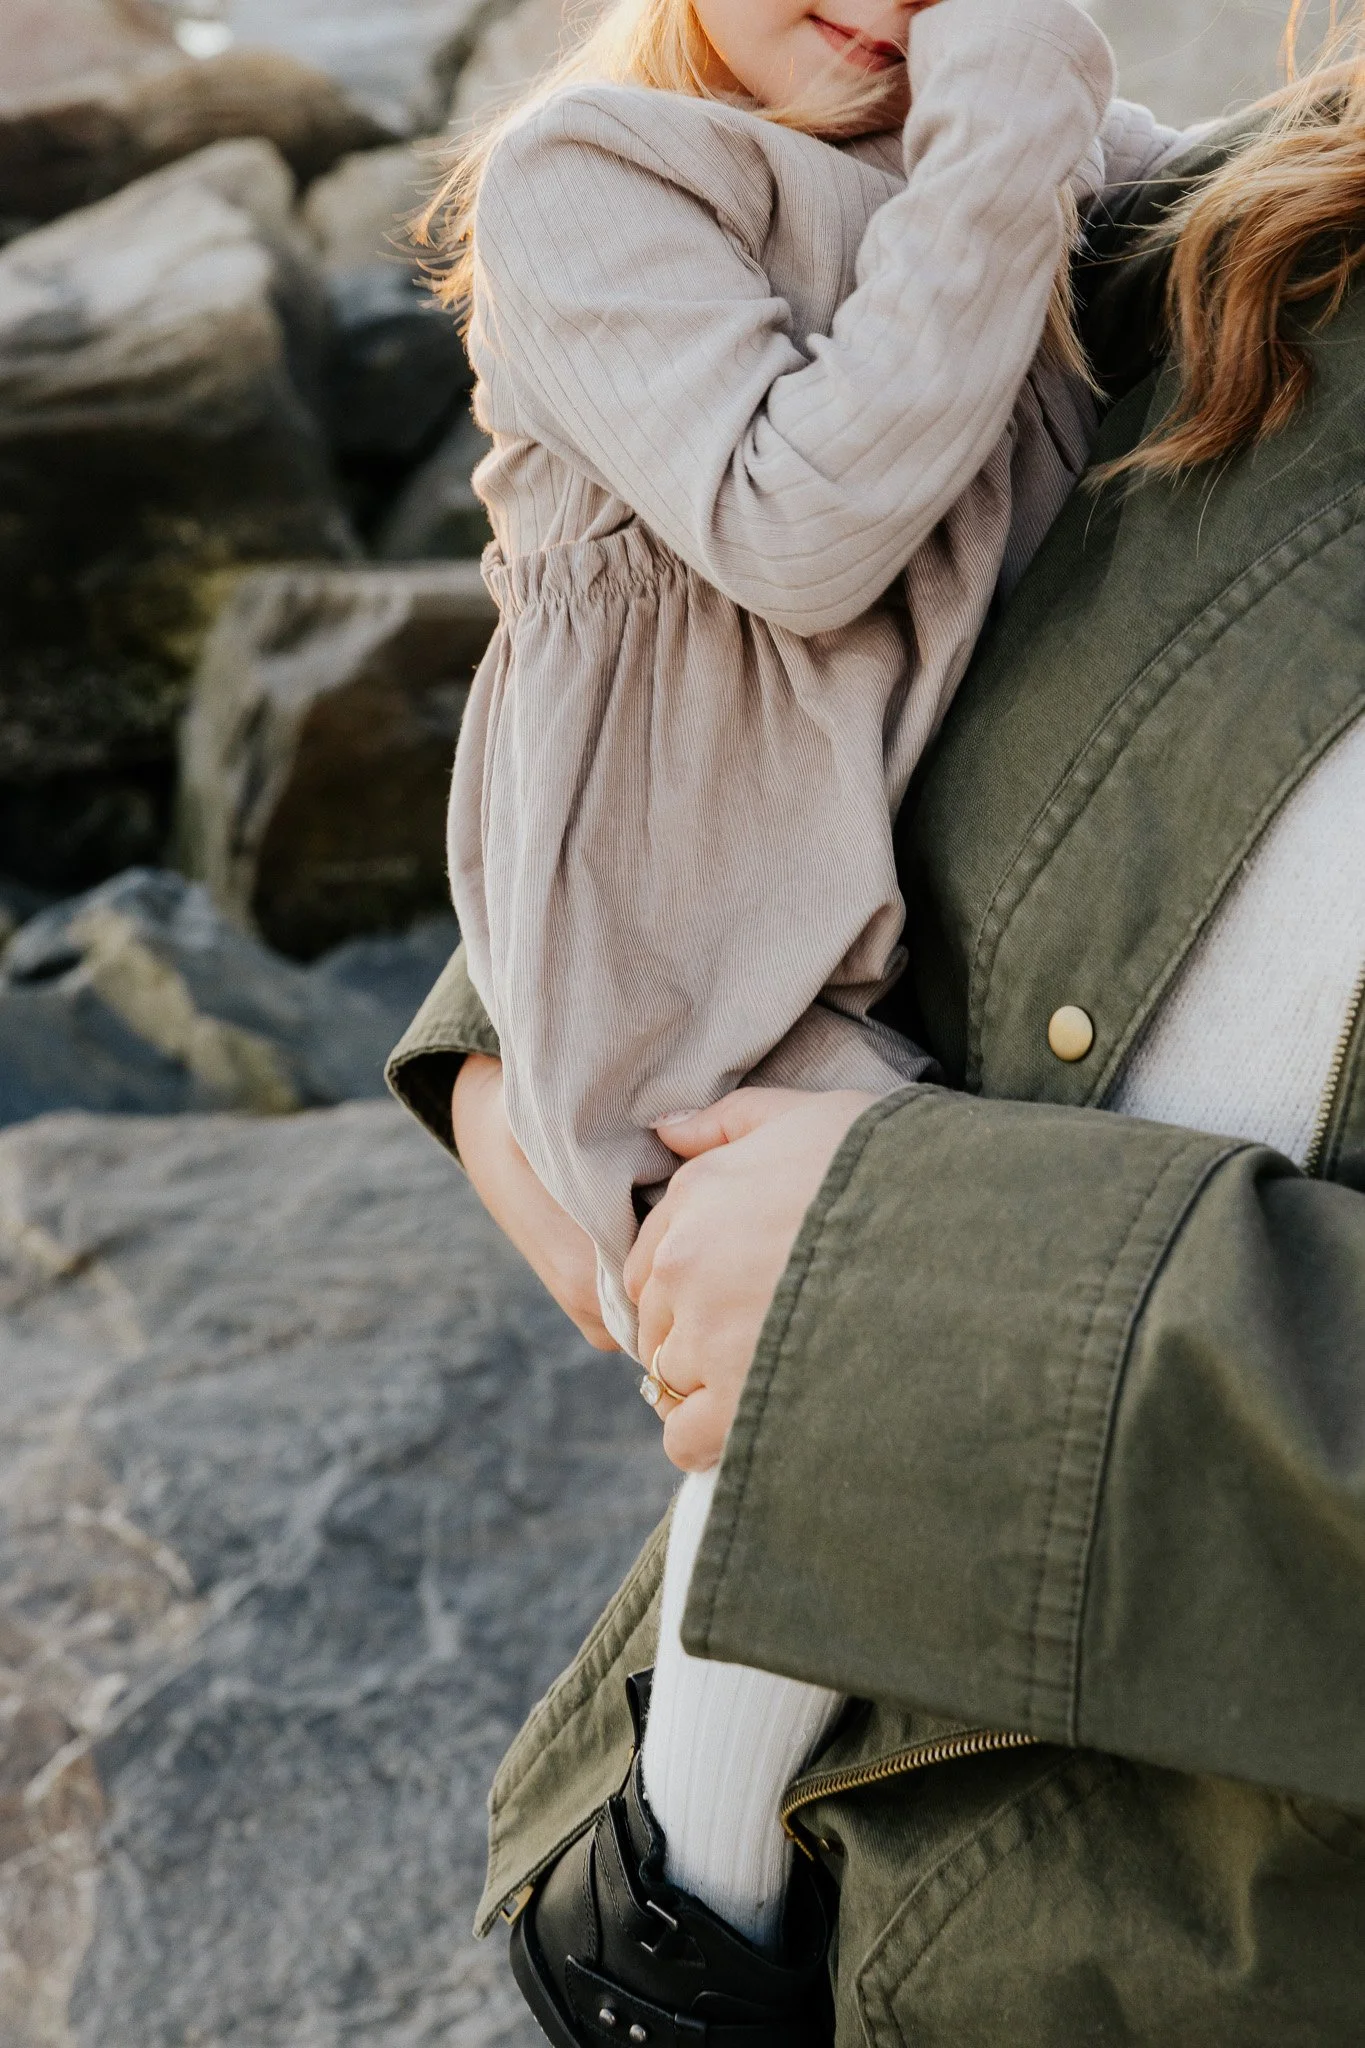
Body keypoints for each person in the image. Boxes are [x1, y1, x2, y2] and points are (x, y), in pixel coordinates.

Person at [392, 6, 1365, 2036]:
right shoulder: (1267, 216)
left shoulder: (1035, 148)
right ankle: (692, 1872)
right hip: (860, 1905)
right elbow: (801, 586)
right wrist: (533, 1010)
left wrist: (911, 1298)